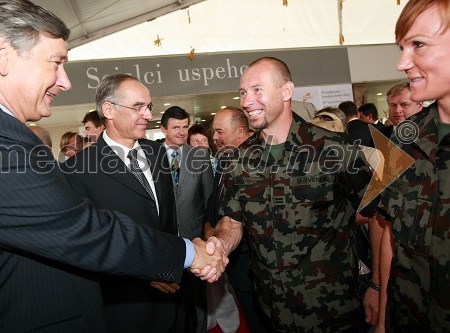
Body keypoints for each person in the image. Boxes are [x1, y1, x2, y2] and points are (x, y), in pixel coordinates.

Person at [0, 1, 225, 332]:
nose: (64, 82)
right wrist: (189, 254)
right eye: (56, 63)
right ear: (3, 54)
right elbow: (80, 229)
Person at [208, 57, 377, 332]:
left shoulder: (334, 148)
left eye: (257, 90)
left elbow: (377, 215)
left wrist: (378, 285)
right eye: (243, 92)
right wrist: (220, 246)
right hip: (272, 311)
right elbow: (232, 220)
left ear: (286, 91)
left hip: (334, 311)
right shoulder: (239, 160)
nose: (247, 101)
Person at [61, 74, 191, 332]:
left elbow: (166, 221)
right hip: (124, 306)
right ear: (108, 110)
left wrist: (170, 267)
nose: (147, 115)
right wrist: (147, 275)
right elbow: (88, 244)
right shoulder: (77, 169)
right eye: (138, 107)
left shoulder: (156, 153)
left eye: (149, 107)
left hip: (173, 297)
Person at [367, 0, 450, 332]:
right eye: (402, 47)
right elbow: (389, 234)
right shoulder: (400, 140)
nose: (402, 62)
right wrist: (384, 319)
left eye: (418, 45)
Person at [205, 106, 267, 333]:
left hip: (254, 270)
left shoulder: (262, 160)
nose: (215, 138)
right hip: (232, 266)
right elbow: (215, 199)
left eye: (219, 132)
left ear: (240, 130)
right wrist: (209, 226)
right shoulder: (225, 158)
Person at [161, 106, 214, 333]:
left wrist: (208, 236)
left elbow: (209, 201)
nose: (182, 132)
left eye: (185, 127)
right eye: (176, 127)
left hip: (195, 240)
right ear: (163, 129)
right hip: (165, 242)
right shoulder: (149, 157)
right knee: (168, 300)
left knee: (199, 300)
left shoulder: (199, 156)